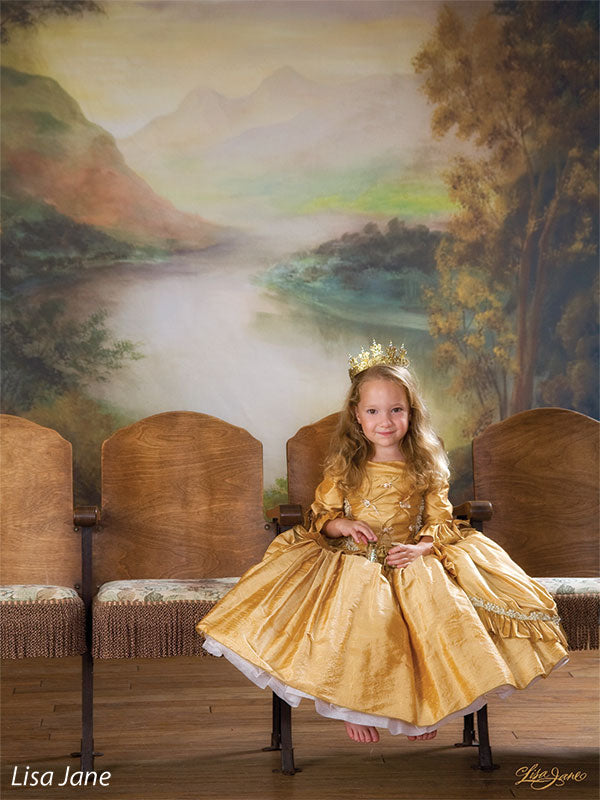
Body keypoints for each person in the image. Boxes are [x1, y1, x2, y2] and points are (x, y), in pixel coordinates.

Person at [196, 341, 569, 744]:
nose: (385, 421)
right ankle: (352, 707)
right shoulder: (345, 465)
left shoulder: (426, 464)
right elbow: (322, 518)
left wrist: (422, 547)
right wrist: (345, 525)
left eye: (396, 410)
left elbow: (440, 519)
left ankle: (422, 712)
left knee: (438, 616)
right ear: (357, 416)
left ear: (411, 412)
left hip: (409, 554)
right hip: (354, 558)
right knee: (362, 618)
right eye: (373, 411)